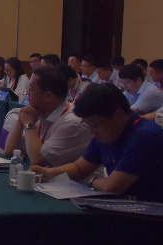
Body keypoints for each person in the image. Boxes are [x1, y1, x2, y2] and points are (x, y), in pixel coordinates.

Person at [31, 84, 163, 201]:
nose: (92, 131)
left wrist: (92, 181)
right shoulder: (108, 133)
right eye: (89, 125)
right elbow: (79, 168)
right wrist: (48, 173)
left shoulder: (145, 136)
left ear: (119, 115)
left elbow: (112, 187)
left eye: (95, 125)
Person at [4, 66, 92, 166]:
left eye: (30, 89)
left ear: (48, 96)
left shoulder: (72, 123)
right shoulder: (40, 113)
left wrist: (29, 124)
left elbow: (38, 160)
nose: (27, 93)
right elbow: (9, 151)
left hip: (68, 177)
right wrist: (21, 120)